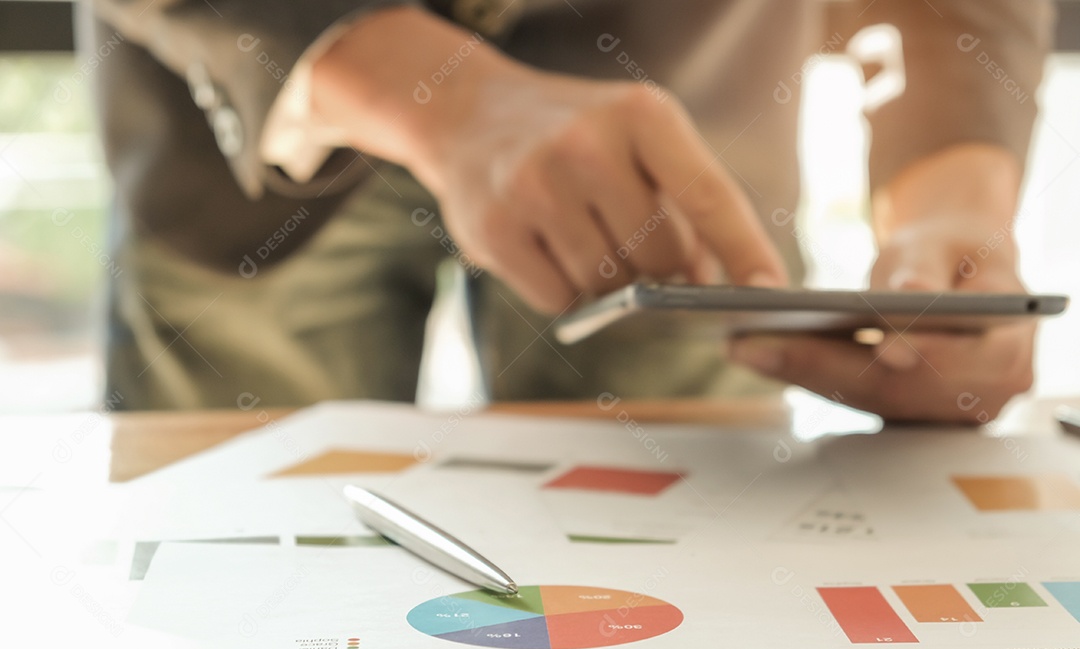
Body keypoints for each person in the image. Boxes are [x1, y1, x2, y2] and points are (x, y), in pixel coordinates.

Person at [86, 0, 1052, 421]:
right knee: (247, 584)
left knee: (696, 580)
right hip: (251, 111)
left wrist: (951, 199)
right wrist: (441, 95)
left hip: (674, 169)